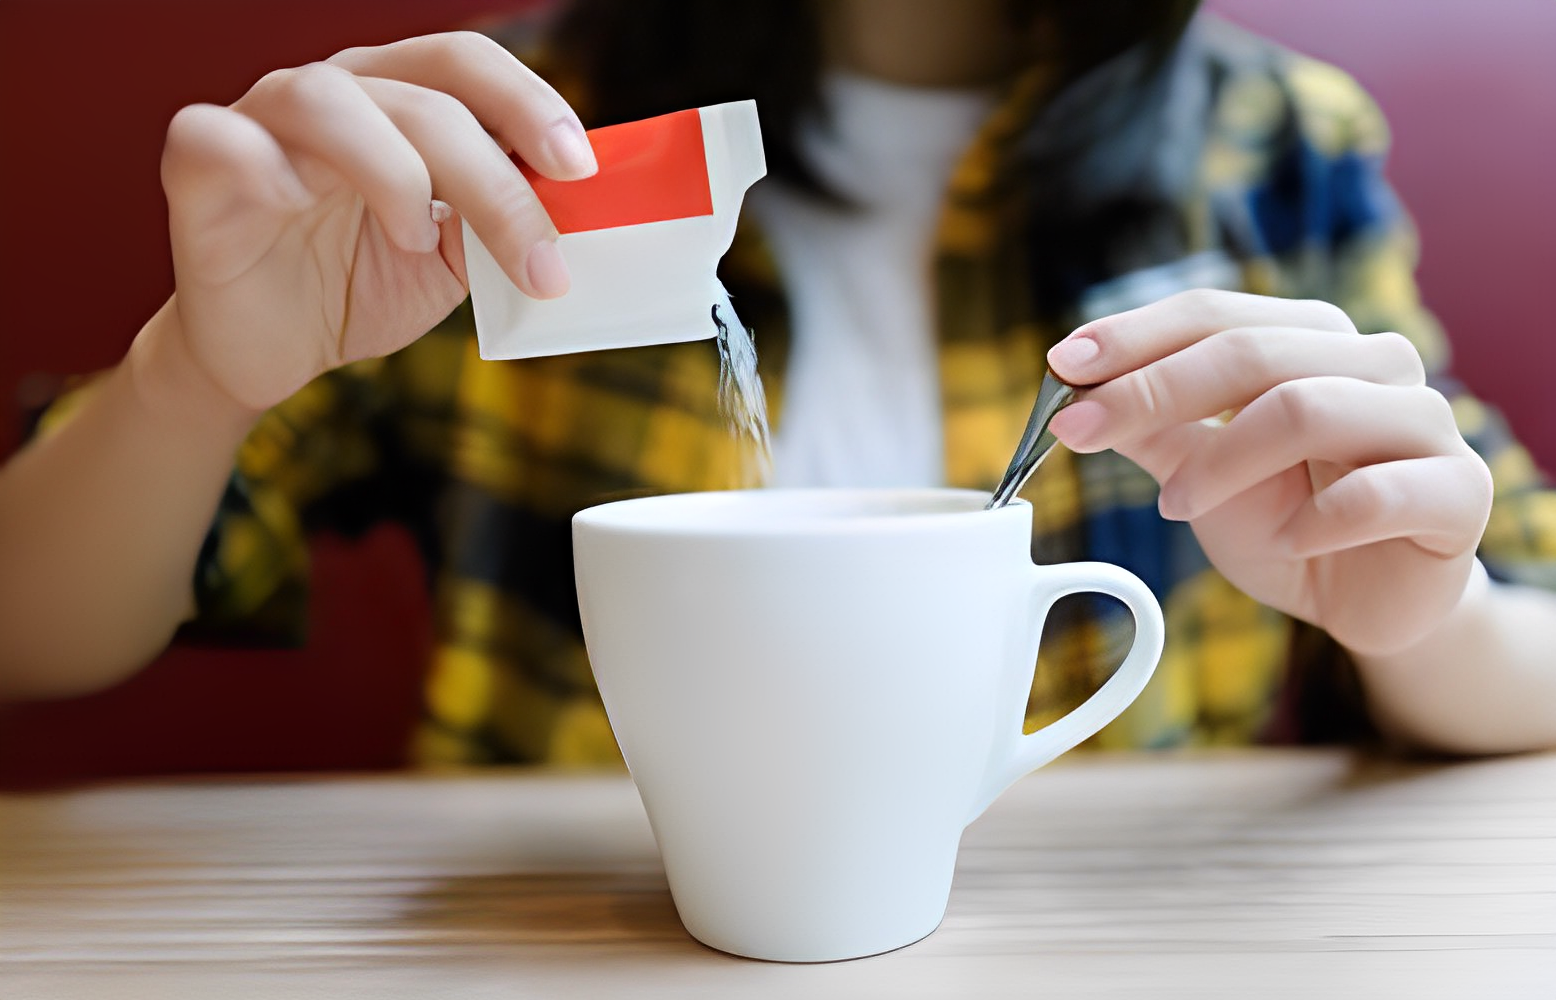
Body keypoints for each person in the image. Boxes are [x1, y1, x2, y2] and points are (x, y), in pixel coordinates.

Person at [1, 0, 1553, 764]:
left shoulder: (1276, 142)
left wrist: (1425, 614)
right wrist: (192, 377)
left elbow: (1521, 617)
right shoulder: (492, 148)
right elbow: (33, 637)